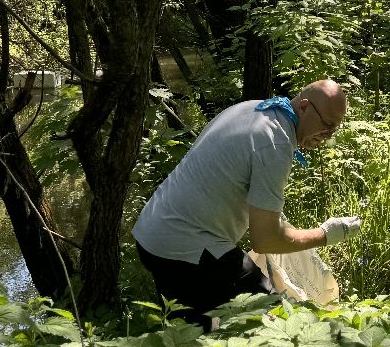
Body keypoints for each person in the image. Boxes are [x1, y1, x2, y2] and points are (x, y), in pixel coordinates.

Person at [133, 79, 360, 329]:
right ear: (304, 106)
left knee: (191, 334)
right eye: (326, 125)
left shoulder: (255, 109)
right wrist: (326, 234)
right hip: (184, 246)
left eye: (334, 129)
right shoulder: (275, 142)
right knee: (277, 319)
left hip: (153, 235)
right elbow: (265, 241)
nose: (328, 136)